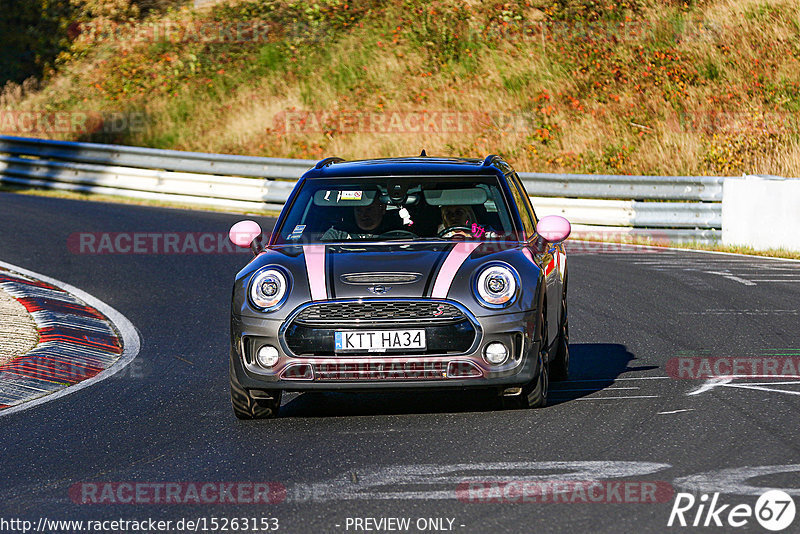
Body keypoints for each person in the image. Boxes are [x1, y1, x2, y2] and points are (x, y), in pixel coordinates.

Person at [321, 197, 387, 240]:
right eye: (359, 210)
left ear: (382, 208)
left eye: (369, 209)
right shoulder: (338, 233)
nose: (363, 215)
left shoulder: (394, 233)